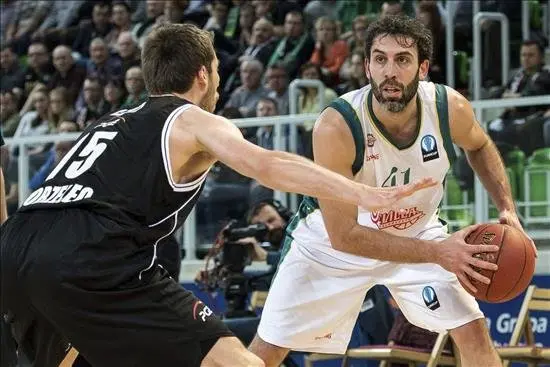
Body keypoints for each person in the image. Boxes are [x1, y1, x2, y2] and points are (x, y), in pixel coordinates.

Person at [0, 23, 435, 367]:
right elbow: (269, 164)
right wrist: (365, 193)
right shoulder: (189, 117)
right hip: (91, 255)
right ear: (204, 74)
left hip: (16, 250)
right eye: (219, 75)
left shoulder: (109, 122)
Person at [249, 16, 537, 367]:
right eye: (380, 59)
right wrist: (437, 253)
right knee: (268, 352)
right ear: (367, 67)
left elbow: (478, 145)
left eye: (402, 59)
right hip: (330, 247)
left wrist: (506, 207)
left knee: (473, 330)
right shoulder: (337, 125)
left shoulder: (448, 108)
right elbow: (344, 236)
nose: (390, 70)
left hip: (417, 231)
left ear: (423, 68)